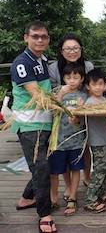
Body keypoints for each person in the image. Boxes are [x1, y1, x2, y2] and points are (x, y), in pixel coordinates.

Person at [11, 21, 57, 232]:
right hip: (30, 125)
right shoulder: (22, 62)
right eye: (35, 36)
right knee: (41, 168)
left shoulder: (42, 60)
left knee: (39, 165)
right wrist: (63, 98)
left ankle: (25, 199)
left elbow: (46, 93)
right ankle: (44, 215)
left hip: (44, 122)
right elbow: (38, 96)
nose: (40, 40)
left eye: (44, 36)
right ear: (26, 38)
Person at [48, 33, 94, 193]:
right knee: (64, 149)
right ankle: (68, 185)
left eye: (75, 48)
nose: (72, 51)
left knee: (85, 146)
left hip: (84, 112)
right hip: (62, 116)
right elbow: (52, 95)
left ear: (80, 49)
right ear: (61, 51)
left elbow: (95, 89)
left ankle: (87, 177)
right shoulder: (53, 68)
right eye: (67, 48)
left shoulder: (88, 66)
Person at [49, 63, 87, 216]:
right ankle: (52, 199)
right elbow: (52, 110)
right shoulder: (58, 93)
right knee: (55, 171)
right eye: (68, 77)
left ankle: (72, 196)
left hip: (76, 140)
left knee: (76, 169)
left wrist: (77, 117)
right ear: (63, 78)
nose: (71, 80)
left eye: (75, 77)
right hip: (58, 141)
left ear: (81, 79)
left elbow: (82, 120)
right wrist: (60, 95)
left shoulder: (83, 97)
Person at [84, 69, 106, 213]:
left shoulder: (103, 99)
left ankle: (102, 193)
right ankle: (90, 200)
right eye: (94, 84)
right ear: (88, 86)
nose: (98, 87)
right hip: (97, 141)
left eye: (101, 84)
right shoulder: (89, 102)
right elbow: (98, 113)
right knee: (99, 170)